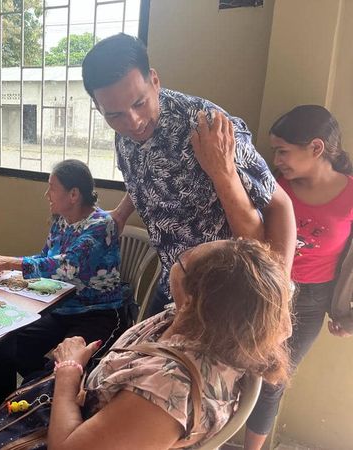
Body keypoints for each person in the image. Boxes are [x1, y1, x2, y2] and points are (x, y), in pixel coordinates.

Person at [82, 33, 296, 315]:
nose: (133, 122)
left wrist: (276, 299)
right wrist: (121, 214)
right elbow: (146, 177)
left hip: (227, 296)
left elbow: (279, 205)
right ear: (99, 108)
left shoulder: (207, 126)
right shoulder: (125, 132)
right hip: (174, 282)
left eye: (139, 103)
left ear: (154, 80)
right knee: (138, 343)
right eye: (115, 115)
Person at [15, 239, 291, 450]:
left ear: (194, 300)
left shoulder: (166, 390)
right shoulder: (202, 323)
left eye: (184, 260)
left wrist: (68, 369)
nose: (178, 258)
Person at [244, 105, 353, 449]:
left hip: (310, 301)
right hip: (265, 288)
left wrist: (348, 315)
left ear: (316, 148)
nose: (276, 160)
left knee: (273, 381)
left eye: (283, 151)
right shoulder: (274, 185)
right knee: (239, 369)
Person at [0, 159, 124, 376]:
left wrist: (12, 262)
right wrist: (7, 265)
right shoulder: (61, 221)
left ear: (73, 194)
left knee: (65, 367)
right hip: (60, 309)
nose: (47, 194)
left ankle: (48, 387)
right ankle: (34, 386)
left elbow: (68, 266)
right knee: (13, 344)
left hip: (97, 313)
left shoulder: (102, 225)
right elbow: (45, 258)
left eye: (52, 188)